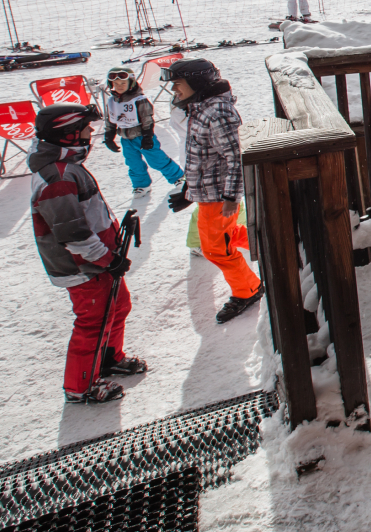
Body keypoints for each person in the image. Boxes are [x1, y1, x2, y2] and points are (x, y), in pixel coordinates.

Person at [30, 103, 147, 404]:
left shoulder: (68, 168)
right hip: (83, 266)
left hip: (97, 259)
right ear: (68, 135)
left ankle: (108, 358)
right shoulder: (58, 178)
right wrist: (107, 259)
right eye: (85, 129)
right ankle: (80, 386)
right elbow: (73, 233)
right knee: (93, 320)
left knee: (117, 306)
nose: (91, 134)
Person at [163, 59, 264, 325]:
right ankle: (265, 242)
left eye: (178, 84)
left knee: (216, 250)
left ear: (197, 84)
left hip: (218, 196)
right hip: (208, 192)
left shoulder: (217, 112)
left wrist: (231, 196)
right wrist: (189, 190)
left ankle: (249, 290)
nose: (174, 90)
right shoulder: (201, 107)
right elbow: (202, 156)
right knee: (223, 239)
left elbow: (235, 157)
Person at [102, 66, 183, 197]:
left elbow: (147, 119)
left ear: (131, 83)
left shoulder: (139, 100)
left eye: (123, 83)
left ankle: (178, 177)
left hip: (142, 136)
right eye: (116, 84)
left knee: (156, 160)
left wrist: (148, 137)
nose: (119, 86)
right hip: (126, 139)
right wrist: (109, 136)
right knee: (133, 163)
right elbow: (110, 118)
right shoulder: (112, 101)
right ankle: (141, 185)